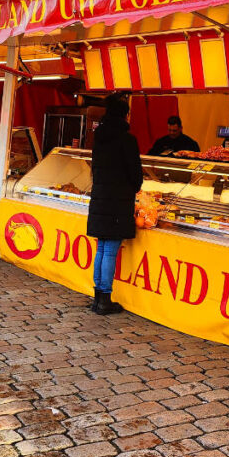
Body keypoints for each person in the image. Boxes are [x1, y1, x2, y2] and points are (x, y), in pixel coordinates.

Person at [86, 94, 142, 316]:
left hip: (100, 197)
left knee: (101, 248)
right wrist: (134, 186)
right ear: (125, 115)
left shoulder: (99, 138)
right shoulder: (127, 140)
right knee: (109, 251)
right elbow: (135, 174)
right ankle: (105, 299)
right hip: (118, 202)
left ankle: (98, 297)